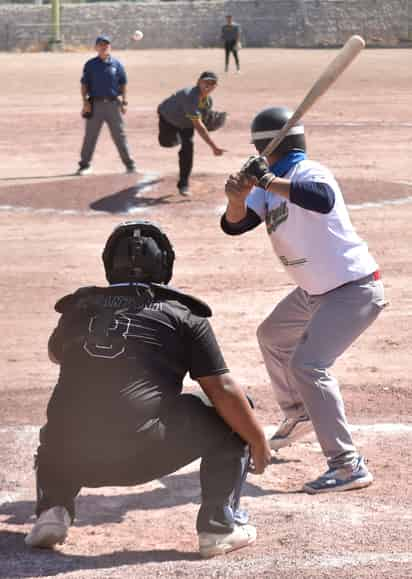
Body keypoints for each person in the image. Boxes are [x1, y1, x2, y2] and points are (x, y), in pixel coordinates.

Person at [25, 220, 271, 557]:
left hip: (73, 458)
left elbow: (55, 353)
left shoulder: (77, 308)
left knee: (61, 422)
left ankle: (52, 510)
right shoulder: (184, 315)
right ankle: (218, 527)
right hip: (143, 455)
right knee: (236, 412)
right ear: (165, 266)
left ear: (109, 264)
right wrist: (257, 441)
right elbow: (224, 389)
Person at [221, 107, 386, 494]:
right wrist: (237, 197)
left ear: (263, 146)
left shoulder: (309, 172)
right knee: (273, 336)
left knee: (309, 365)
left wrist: (268, 179)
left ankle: (347, 466)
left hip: (352, 289)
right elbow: (235, 225)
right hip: (314, 292)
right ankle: (298, 414)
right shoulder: (268, 186)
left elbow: (322, 198)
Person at [76, 35, 136, 176]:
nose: (104, 47)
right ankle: (84, 165)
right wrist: (85, 103)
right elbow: (84, 84)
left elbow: (123, 83)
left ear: (110, 47)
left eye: (106, 45)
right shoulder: (90, 64)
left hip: (113, 105)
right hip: (95, 104)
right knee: (90, 136)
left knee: (119, 136)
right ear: (96, 47)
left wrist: (125, 102)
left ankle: (129, 164)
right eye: (101, 45)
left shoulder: (116, 64)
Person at [157, 71, 225, 197]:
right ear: (198, 82)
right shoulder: (190, 96)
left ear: (216, 86)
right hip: (168, 117)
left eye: (212, 83)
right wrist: (213, 147)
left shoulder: (208, 101)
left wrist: (209, 121)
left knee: (188, 147)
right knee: (166, 143)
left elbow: (202, 120)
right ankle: (178, 139)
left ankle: (183, 183)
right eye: (206, 82)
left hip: (186, 124)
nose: (208, 85)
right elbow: (199, 126)